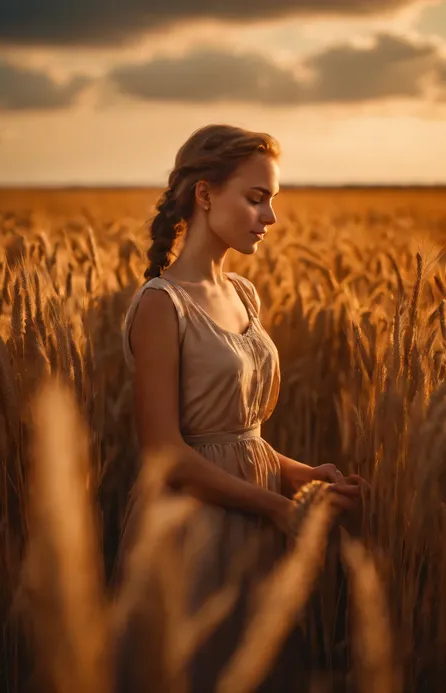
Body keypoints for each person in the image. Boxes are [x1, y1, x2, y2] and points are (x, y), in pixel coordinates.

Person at [114, 124, 365, 692]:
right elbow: (165, 454)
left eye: (271, 200)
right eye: (256, 199)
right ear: (204, 194)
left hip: (258, 519)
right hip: (191, 531)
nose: (270, 218)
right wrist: (277, 509)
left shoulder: (243, 294)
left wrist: (303, 478)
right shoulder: (162, 304)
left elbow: (240, 434)